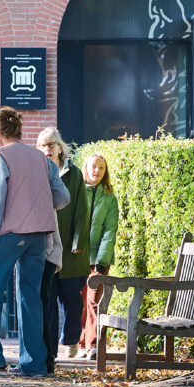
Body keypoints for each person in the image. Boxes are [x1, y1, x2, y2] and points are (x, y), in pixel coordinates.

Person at [0, 107, 69, 376]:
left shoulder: (0, 157)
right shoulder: (41, 158)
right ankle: (33, 363)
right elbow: (62, 197)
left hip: (10, 234)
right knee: (30, 297)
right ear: (20, 130)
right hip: (39, 236)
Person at [36, 127, 88, 362]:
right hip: (46, 247)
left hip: (70, 249)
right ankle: (50, 352)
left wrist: (77, 240)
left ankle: (71, 339)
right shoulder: (36, 172)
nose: (47, 149)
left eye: (50, 145)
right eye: (43, 145)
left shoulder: (73, 173)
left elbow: (80, 210)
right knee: (48, 300)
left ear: (59, 147)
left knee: (72, 298)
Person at [79, 153, 118, 360]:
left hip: (98, 258)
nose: (97, 171)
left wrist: (102, 261)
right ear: (86, 168)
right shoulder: (77, 193)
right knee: (79, 301)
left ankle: (93, 345)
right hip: (77, 257)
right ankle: (81, 341)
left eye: (101, 168)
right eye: (94, 167)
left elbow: (110, 231)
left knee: (94, 301)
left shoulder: (110, 198)